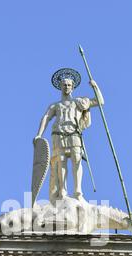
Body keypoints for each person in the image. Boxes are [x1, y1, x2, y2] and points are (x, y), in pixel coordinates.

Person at [34, 68, 104, 202]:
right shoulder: (56, 105)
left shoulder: (79, 102)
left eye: (69, 85)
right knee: (61, 162)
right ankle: (62, 192)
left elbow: (99, 102)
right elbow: (46, 117)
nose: (66, 87)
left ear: (72, 87)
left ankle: (78, 192)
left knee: (77, 160)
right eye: (64, 85)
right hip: (58, 134)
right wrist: (39, 135)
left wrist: (95, 87)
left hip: (74, 133)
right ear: (60, 87)